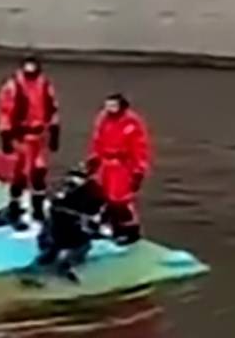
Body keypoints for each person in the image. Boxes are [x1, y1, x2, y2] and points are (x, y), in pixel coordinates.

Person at [0, 54, 60, 225]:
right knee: (19, 173)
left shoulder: (45, 85)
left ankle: (38, 207)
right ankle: (14, 204)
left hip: (39, 137)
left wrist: (55, 131)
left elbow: (52, 107)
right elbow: (5, 111)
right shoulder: (13, 86)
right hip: (21, 137)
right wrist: (6, 135)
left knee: (39, 172)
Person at [87, 92, 152, 244]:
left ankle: (130, 231)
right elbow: (97, 141)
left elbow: (140, 148)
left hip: (123, 166)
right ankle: (113, 227)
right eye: (108, 105)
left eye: (113, 106)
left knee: (121, 200)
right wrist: (93, 159)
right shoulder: (103, 119)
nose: (109, 109)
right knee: (104, 196)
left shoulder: (132, 123)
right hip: (105, 164)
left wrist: (138, 171)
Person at [32, 167, 106, 282]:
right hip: (58, 237)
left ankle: (66, 270)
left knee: (64, 259)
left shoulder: (89, 197)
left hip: (74, 240)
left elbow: (92, 220)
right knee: (47, 258)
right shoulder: (61, 197)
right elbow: (49, 218)